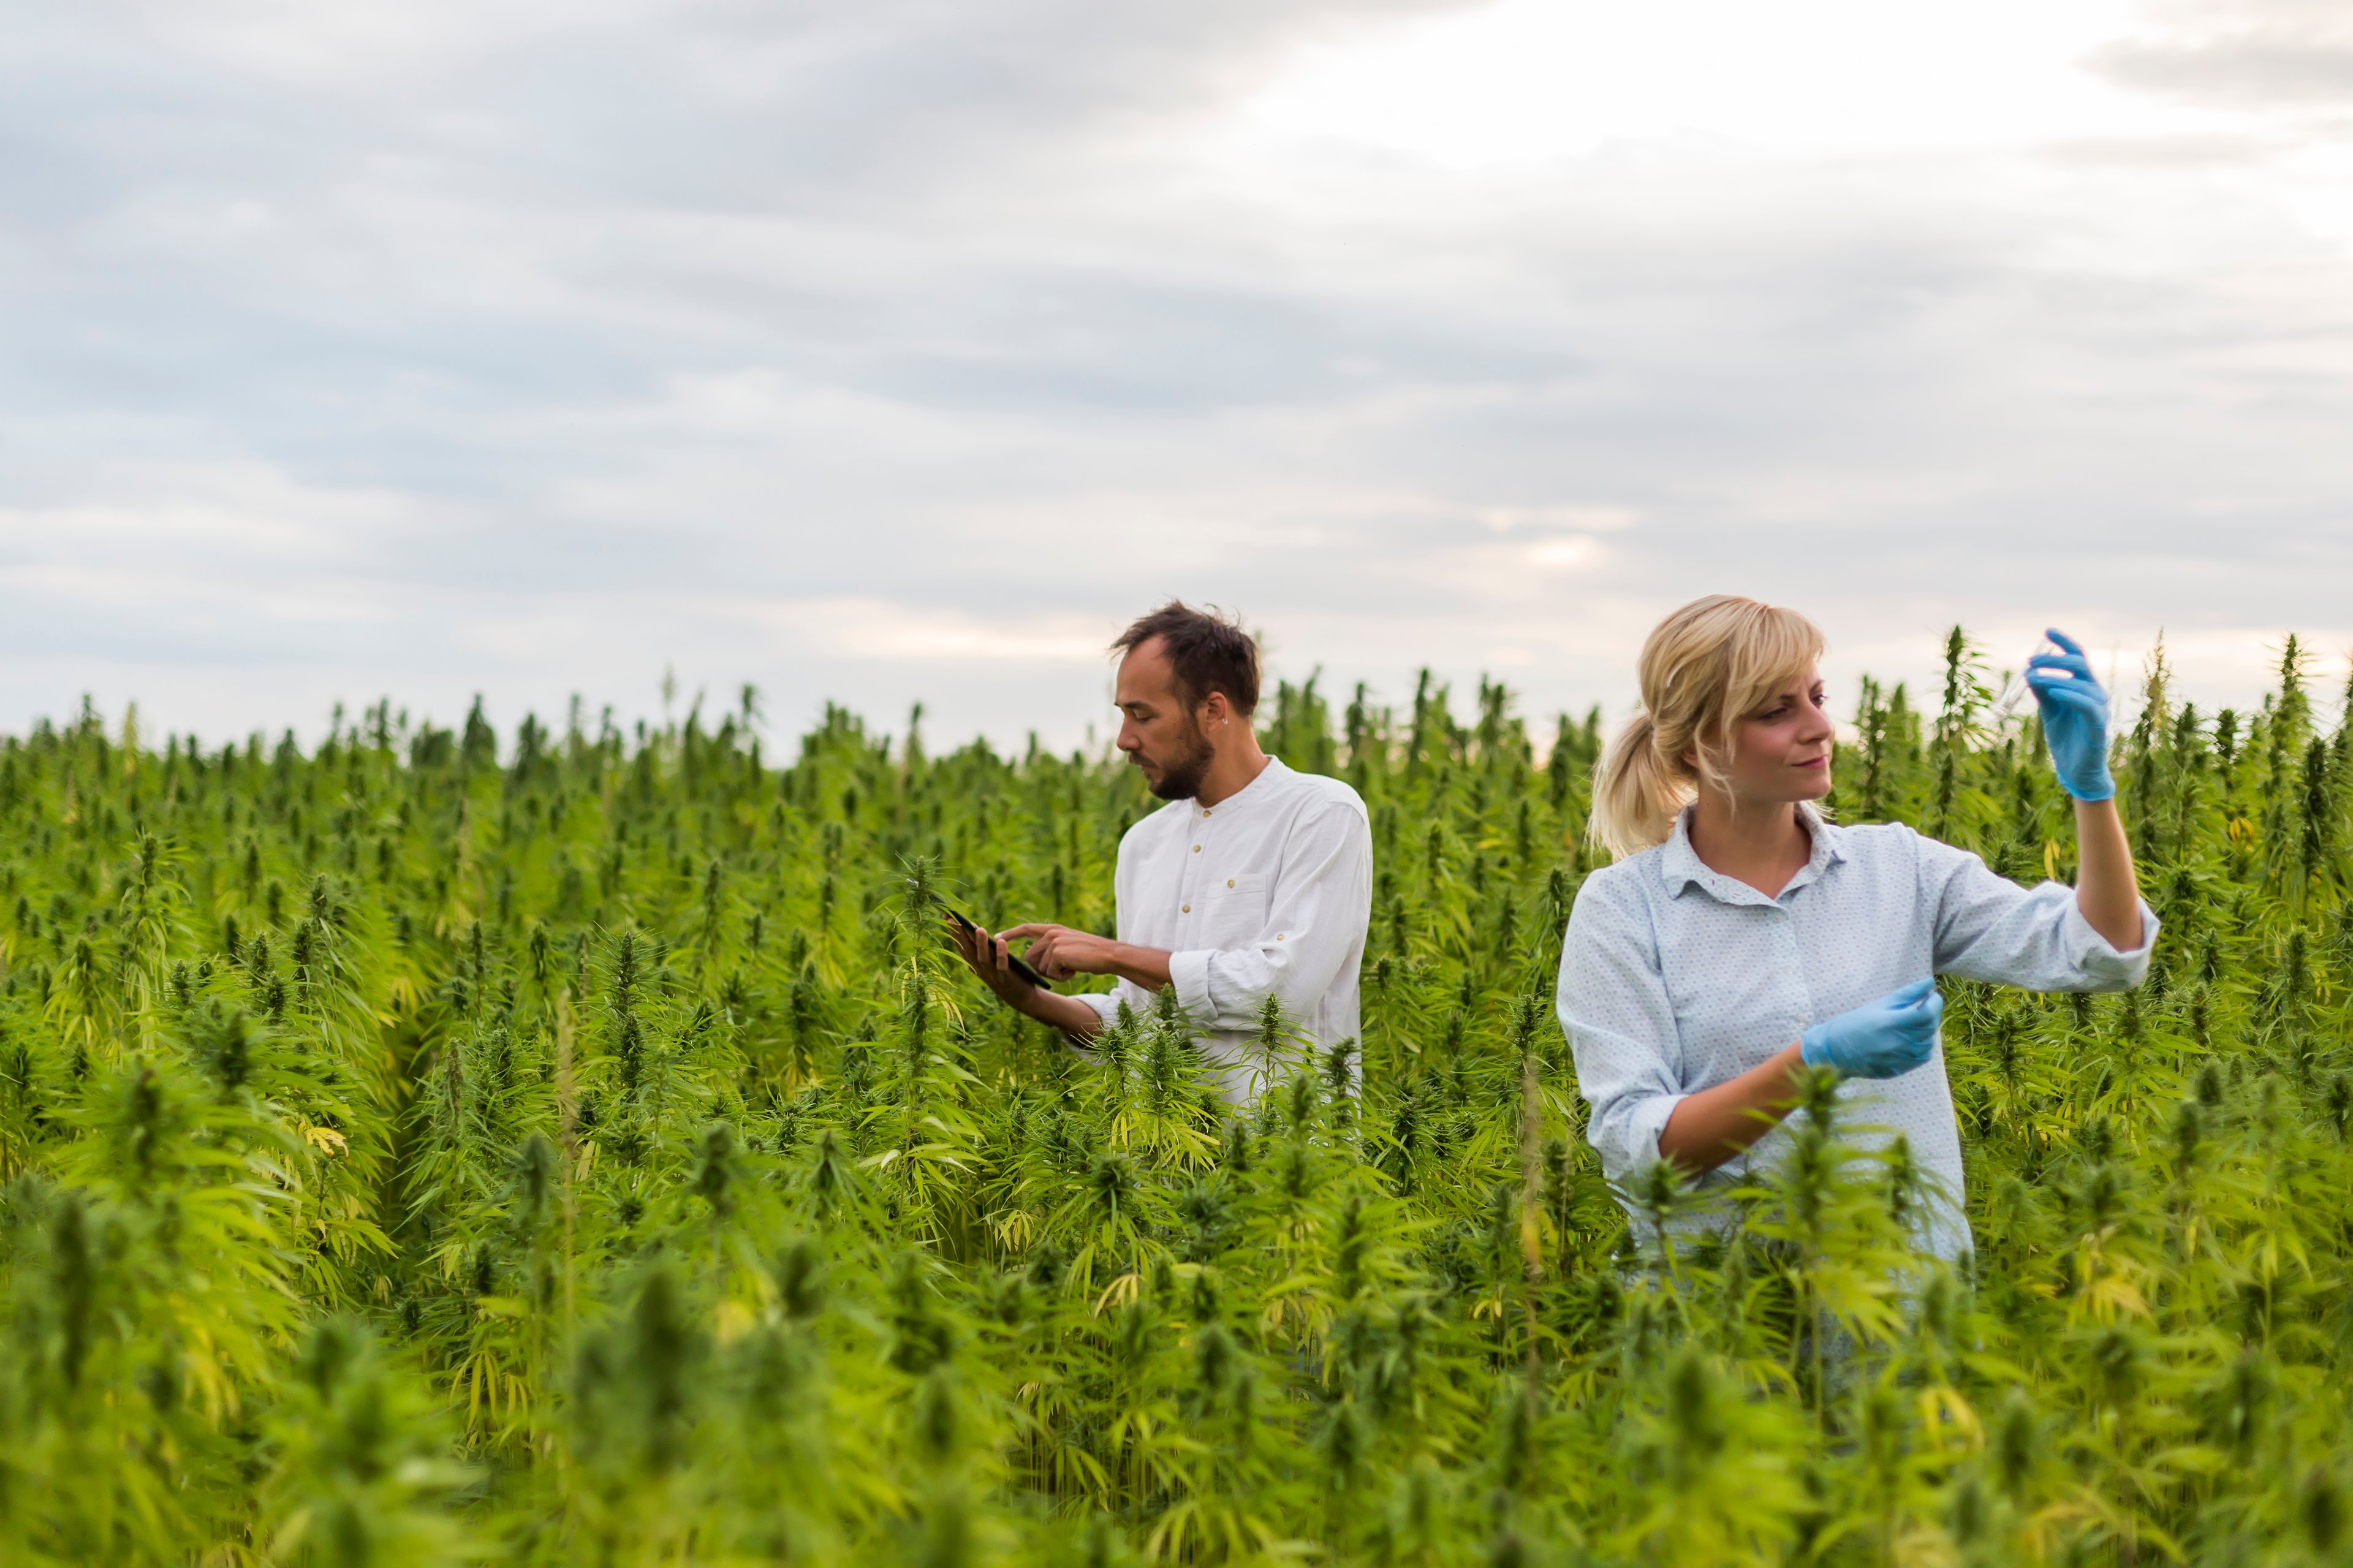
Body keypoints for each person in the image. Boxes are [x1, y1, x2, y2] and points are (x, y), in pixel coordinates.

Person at [1556, 595, 2156, 1259]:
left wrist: (2092, 792)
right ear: (1700, 744)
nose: (1820, 728)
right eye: (1777, 711)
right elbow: (1640, 1150)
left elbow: (2103, 953)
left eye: (1816, 697)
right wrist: (1812, 1062)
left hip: (1906, 1313)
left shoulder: (1899, 868)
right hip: (1726, 1319)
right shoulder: (1624, 908)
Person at [949, 602, 1374, 1104]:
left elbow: (1279, 993)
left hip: (1283, 1167)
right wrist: (1031, 998)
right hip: (1157, 1169)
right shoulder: (1144, 845)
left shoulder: (1320, 814)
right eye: (1123, 714)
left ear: (1213, 711)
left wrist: (1111, 953)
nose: (1124, 740)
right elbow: (1139, 1024)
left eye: (1142, 715)